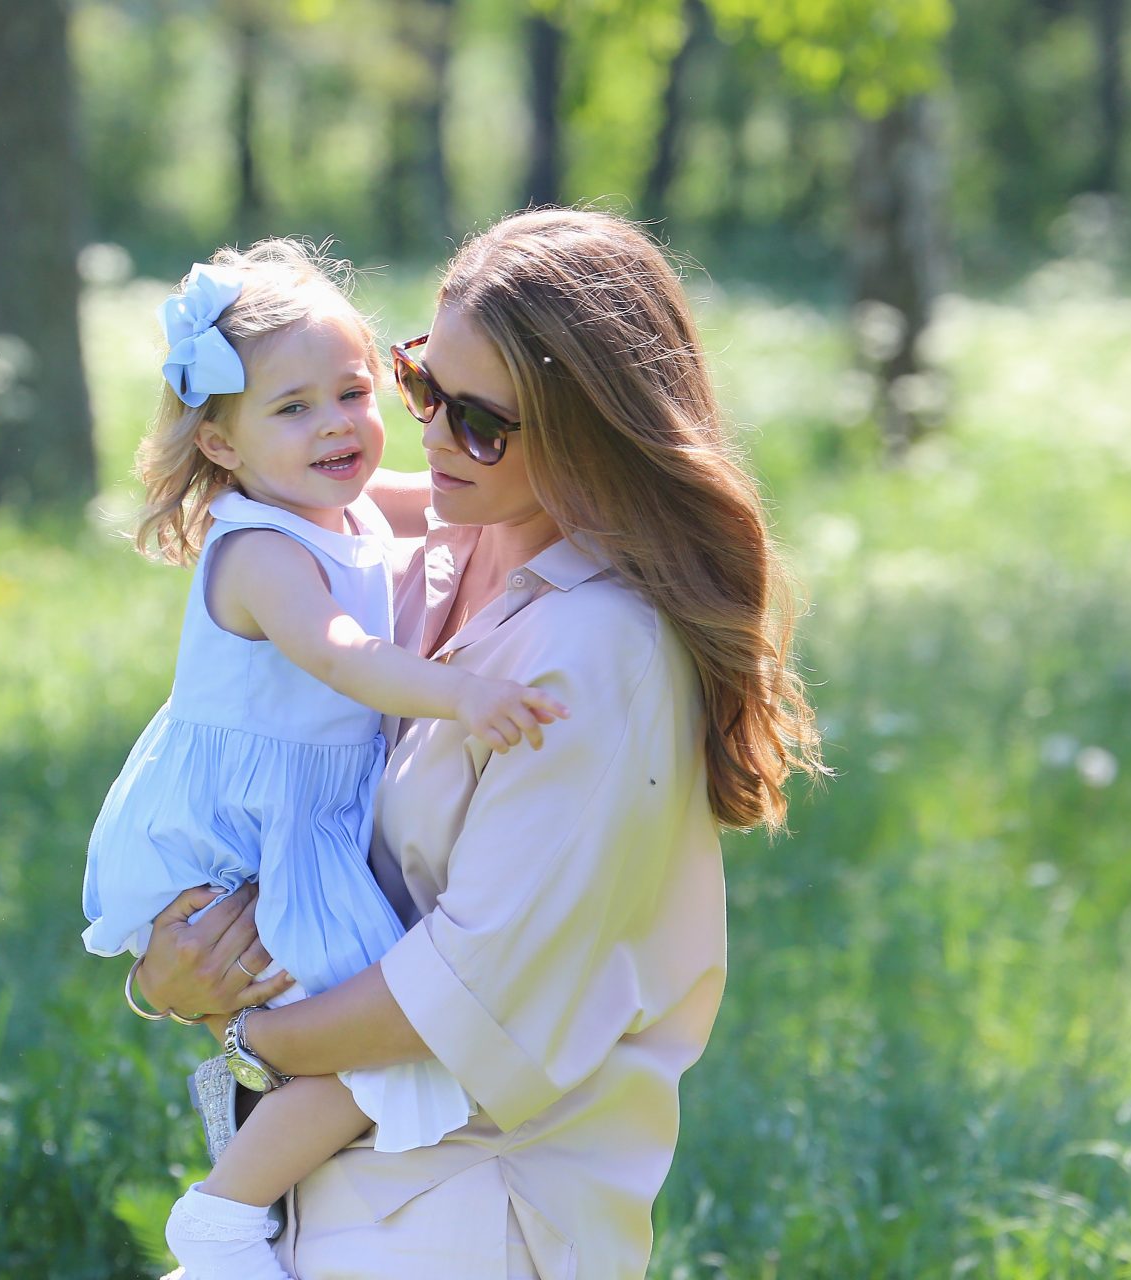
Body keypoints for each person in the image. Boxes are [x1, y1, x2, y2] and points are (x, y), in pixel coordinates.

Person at [133, 208, 824, 1279]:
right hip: (338, 1191)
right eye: (420, 385)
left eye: (482, 422)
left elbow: (457, 990)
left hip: (471, 1217)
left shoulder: (594, 654)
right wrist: (180, 968)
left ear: (593, 427)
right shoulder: (451, 550)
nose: (432, 438)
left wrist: (240, 1031)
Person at [81, 238, 568, 1280]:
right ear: (220, 441)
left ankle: (246, 1204)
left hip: (299, 819)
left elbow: (453, 499)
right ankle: (221, 1217)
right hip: (237, 829)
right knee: (368, 1036)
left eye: (353, 389)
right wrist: (464, 694)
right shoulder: (259, 549)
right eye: (291, 408)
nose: (338, 424)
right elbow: (342, 655)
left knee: (371, 1040)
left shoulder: (339, 501)